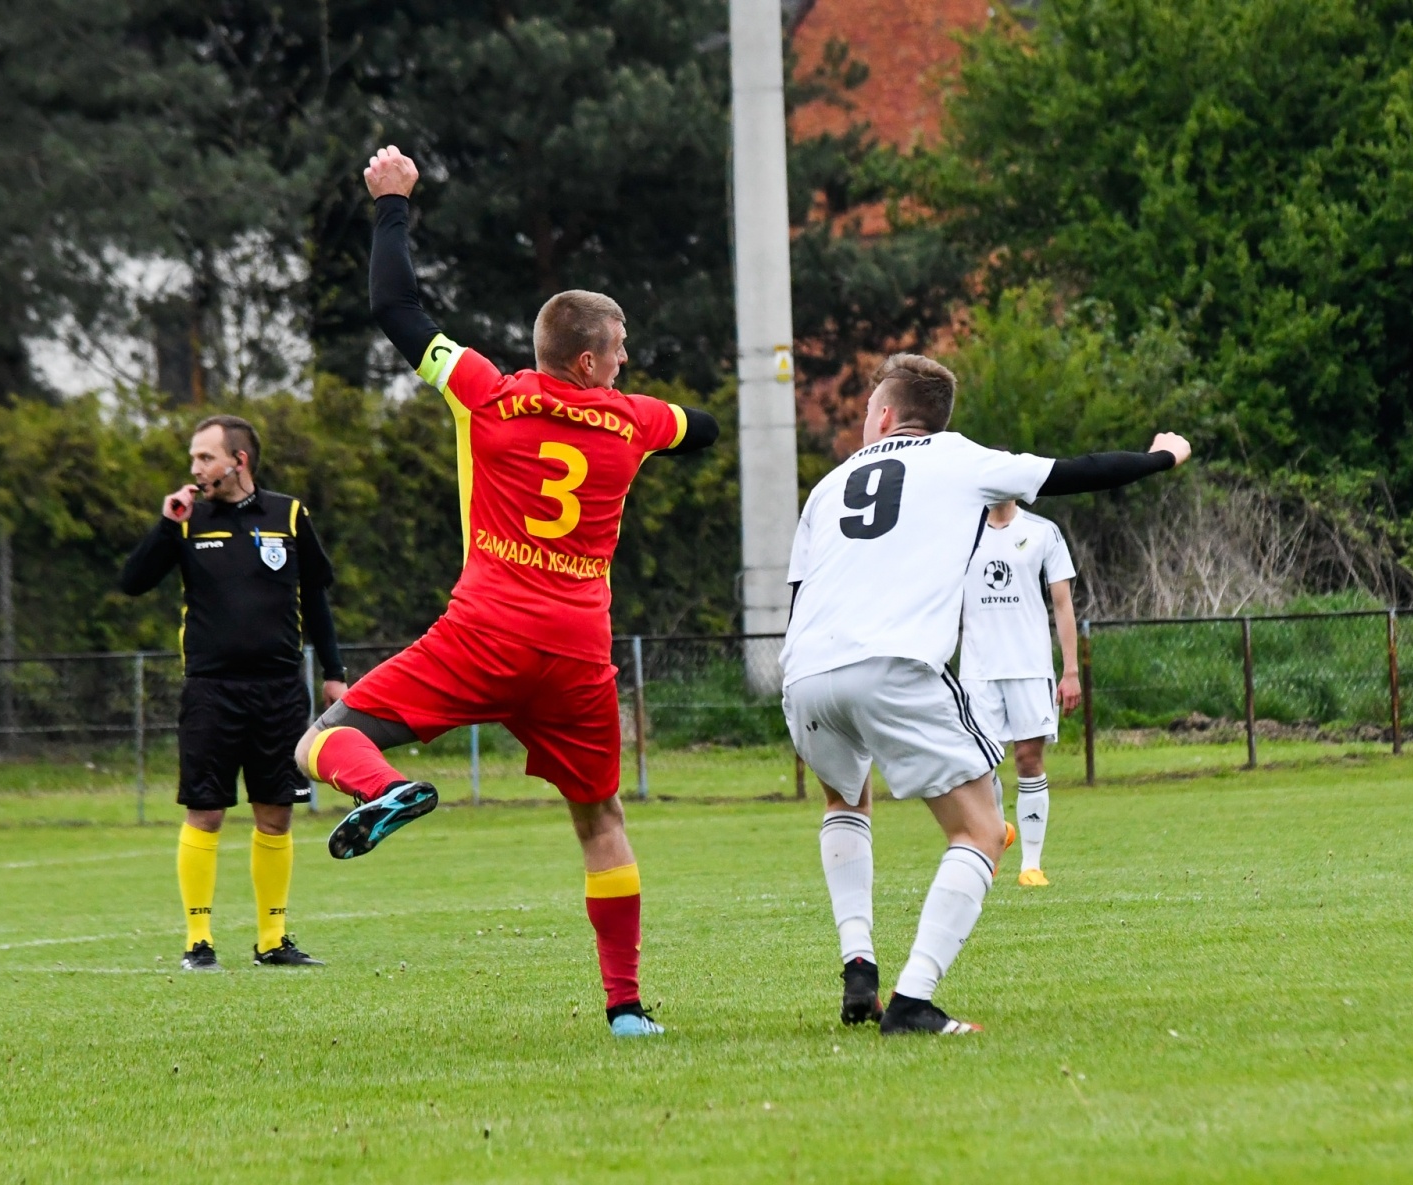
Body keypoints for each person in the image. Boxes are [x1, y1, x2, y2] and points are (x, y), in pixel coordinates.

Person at [291, 146, 718, 1039]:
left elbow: (393, 306)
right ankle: (627, 1006)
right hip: (575, 654)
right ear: (598, 362)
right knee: (600, 819)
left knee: (322, 740)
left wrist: (395, 204)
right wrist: (675, 423)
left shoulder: (485, 393)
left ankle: (382, 789)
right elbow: (701, 429)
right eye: (624, 349)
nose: (630, 360)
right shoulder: (637, 420)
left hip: (483, 633)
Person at [781, 354, 1189, 1035]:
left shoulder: (827, 487)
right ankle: (911, 1002)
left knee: (845, 799)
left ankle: (859, 964)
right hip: (892, 664)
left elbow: (797, 595)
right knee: (978, 830)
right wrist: (1159, 459)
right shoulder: (960, 458)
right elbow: (1074, 471)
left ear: (883, 416)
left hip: (805, 673)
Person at [121, 415, 347, 971]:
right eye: (194, 459)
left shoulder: (288, 515)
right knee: (206, 811)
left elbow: (315, 597)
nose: (195, 469)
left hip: (279, 691)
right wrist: (164, 523)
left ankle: (273, 940)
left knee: (276, 814)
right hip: (210, 690)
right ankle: (198, 941)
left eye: (204, 458)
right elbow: (132, 581)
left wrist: (334, 672)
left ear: (237, 461)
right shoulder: (187, 518)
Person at [960, 500, 1080, 886]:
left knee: (1028, 759)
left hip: (1029, 668)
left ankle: (1031, 864)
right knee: (979, 765)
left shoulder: (1044, 531)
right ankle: (995, 838)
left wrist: (1071, 671)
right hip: (978, 671)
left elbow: (1062, 605)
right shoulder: (961, 532)